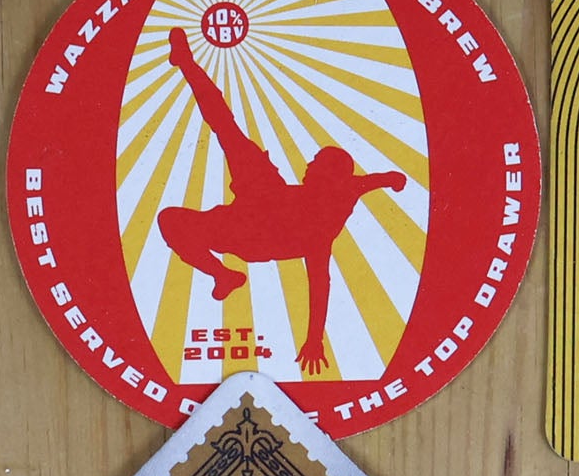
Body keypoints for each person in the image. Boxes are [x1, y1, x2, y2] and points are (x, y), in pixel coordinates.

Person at [157, 27, 409, 375]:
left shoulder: (320, 227)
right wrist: (389, 179)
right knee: (222, 129)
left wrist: (314, 339)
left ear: (329, 177)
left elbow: (319, 284)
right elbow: (363, 183)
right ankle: (224, 276)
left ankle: (223, 274)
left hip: (253, 225)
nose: (308, 164)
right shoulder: (340, 192)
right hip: (256, 206)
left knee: (180, 206)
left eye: (316, 163)